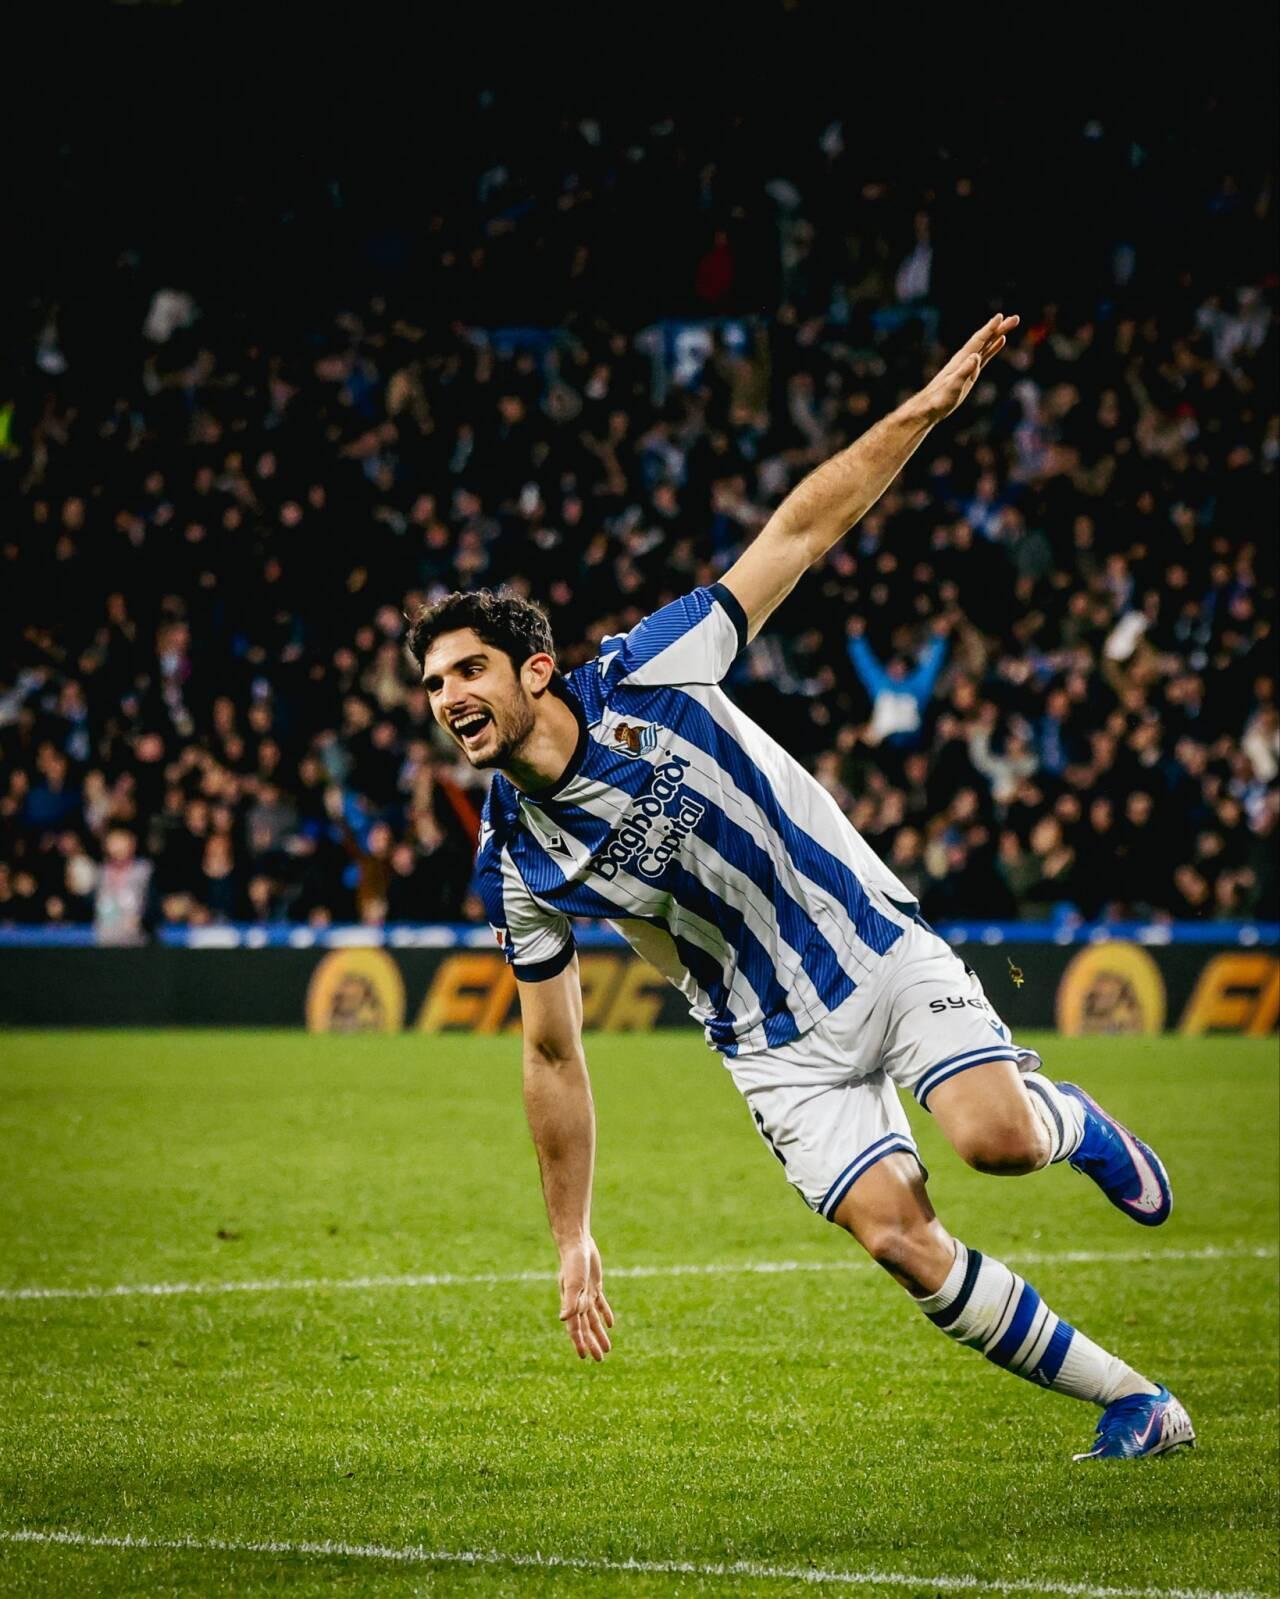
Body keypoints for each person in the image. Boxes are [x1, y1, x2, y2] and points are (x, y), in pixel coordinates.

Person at [407, 315, 1192, 1462]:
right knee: (899, 1240)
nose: (447, 698)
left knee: (993, 1141)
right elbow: (550, 1053)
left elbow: (802, 529)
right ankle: (1135, 1403)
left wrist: (926, 407)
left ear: (532, 669)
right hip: (767, 1044)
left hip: (865, 944)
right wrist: (571, 1235)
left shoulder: (651, 668)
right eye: (432, 684)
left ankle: (1068, 1122)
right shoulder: (513, 860)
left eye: (467, 670)